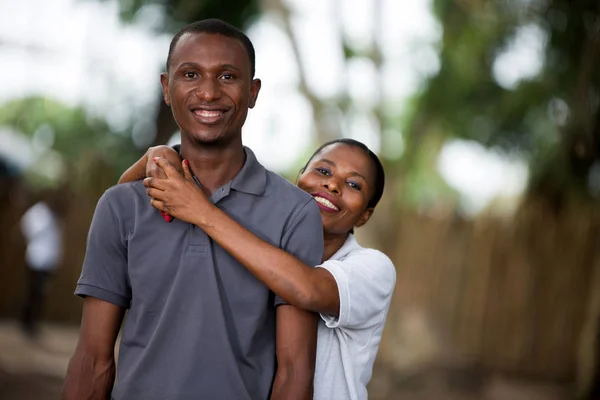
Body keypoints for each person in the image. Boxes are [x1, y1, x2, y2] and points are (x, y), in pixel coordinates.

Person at [62, 19, 324, 400]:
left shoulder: (294, 212)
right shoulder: (122, 205)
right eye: (190, 74)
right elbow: (92, 360)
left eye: (228, 76)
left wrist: (200, 210)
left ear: (252, 92)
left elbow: (294, 372)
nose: (208, 92)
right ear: (167, 89)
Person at [121, 138, 397, 400]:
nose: (333, 185)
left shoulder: (372, 268)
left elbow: (307, 289)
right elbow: (120, 216)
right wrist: (157, 156)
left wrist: (201, 211)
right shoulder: (252, 243)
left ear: (365, 215)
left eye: (353, 184)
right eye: (323, 170)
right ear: (298, 178)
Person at [19, 199, 63, 338]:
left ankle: (32, 323)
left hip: (47, 262)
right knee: (34, 292)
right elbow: (29, 228)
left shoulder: (54, 218)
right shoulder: (39, 213)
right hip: (37, 258)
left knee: (40, 294)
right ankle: (26, 323)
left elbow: (56, 242)